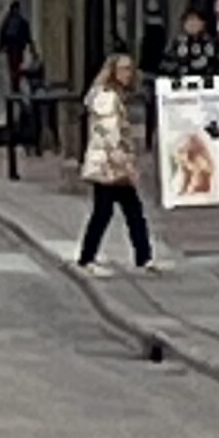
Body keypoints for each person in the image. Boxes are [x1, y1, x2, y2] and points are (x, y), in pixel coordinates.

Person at [78, 53, 156, 274]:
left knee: (125, 211)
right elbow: (109, 132)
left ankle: (142, 257)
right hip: (109, 164)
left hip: (109, 162)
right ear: (112, 71)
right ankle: (89, 258)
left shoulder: (110, 96)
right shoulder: (107, 98)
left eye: (129, 69)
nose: (127, 74)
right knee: (110, 211)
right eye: (122, 69)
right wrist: (125, 162)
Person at [161, 7, 219, 83]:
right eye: (189, 21)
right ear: (183, 24)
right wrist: (177, 67)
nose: (193, 24)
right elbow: (166, 64)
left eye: (197, 21)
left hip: (208, 82)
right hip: (182, 82)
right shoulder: (177, 42)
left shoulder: (211, 42)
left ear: (203, 23)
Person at [0, 0, 35, 91]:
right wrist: (32, 47)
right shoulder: (19, 21)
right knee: (16, 65)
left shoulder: (8, 21)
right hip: (17, 47)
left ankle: (15, 83)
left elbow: (2, 34)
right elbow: (27, 35)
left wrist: (0, 46)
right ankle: (15, 83)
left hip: (13, 48)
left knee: (14, 66)